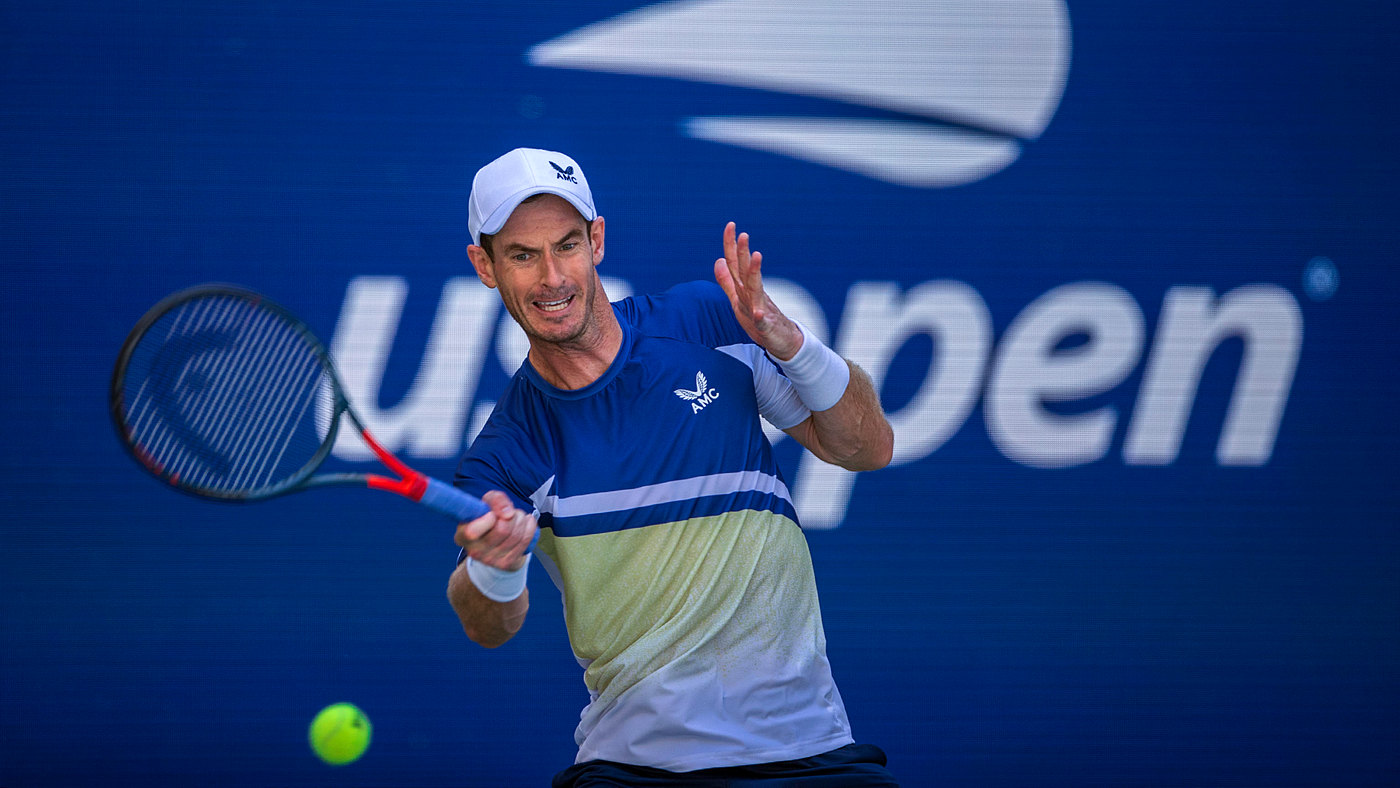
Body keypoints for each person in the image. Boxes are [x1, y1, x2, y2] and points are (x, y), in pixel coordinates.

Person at [446, 147, 898, 786]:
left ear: (597, 241)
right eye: (522, 255)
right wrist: (495, 569)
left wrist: (793, 345)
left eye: (567, 245)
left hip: (810, 751)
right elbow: (487, 625)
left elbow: (867, 448)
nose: (552, 276)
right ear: (485, 266)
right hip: (636, 769)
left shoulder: (709, 323)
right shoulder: (504, 456)